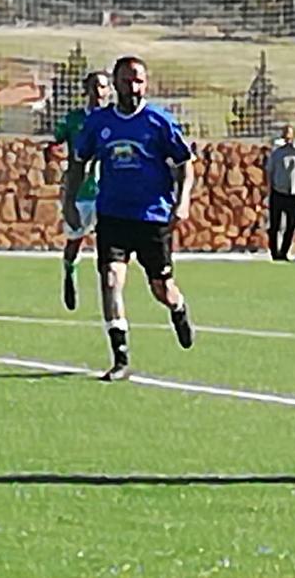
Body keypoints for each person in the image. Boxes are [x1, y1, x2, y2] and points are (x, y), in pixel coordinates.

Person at [66, 56, 196, 382]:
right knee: (111, 280)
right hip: (113, 215)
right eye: (127, 81)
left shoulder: (159, 121)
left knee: (161, 289)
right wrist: (70, 200)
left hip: (152, 217)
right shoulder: (99, 123)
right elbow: (79, 162)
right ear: (115, 84)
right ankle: (120, 358)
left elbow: (185, 164)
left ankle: (178, 308)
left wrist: (183, 202)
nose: (133, 87)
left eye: (139, 81)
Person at [48, 71, 111, 311]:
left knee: (109, 247)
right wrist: (56, 161)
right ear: (86, 89)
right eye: (94, 86)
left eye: (103, 86)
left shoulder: (114, 119)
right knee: (75, 241)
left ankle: (109, 293)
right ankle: (69, 271)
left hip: (108, 192)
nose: (99, 91)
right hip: (81, 192)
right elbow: (54, 144)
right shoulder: (74, 119)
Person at [266, 124, 295, 261]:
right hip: (278, 193)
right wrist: (269, 190)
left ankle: (284, 252)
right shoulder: (277, 153)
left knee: (291, 226)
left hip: (294, 195)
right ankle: (274, 253)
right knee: (274, 226)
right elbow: (270, 172)